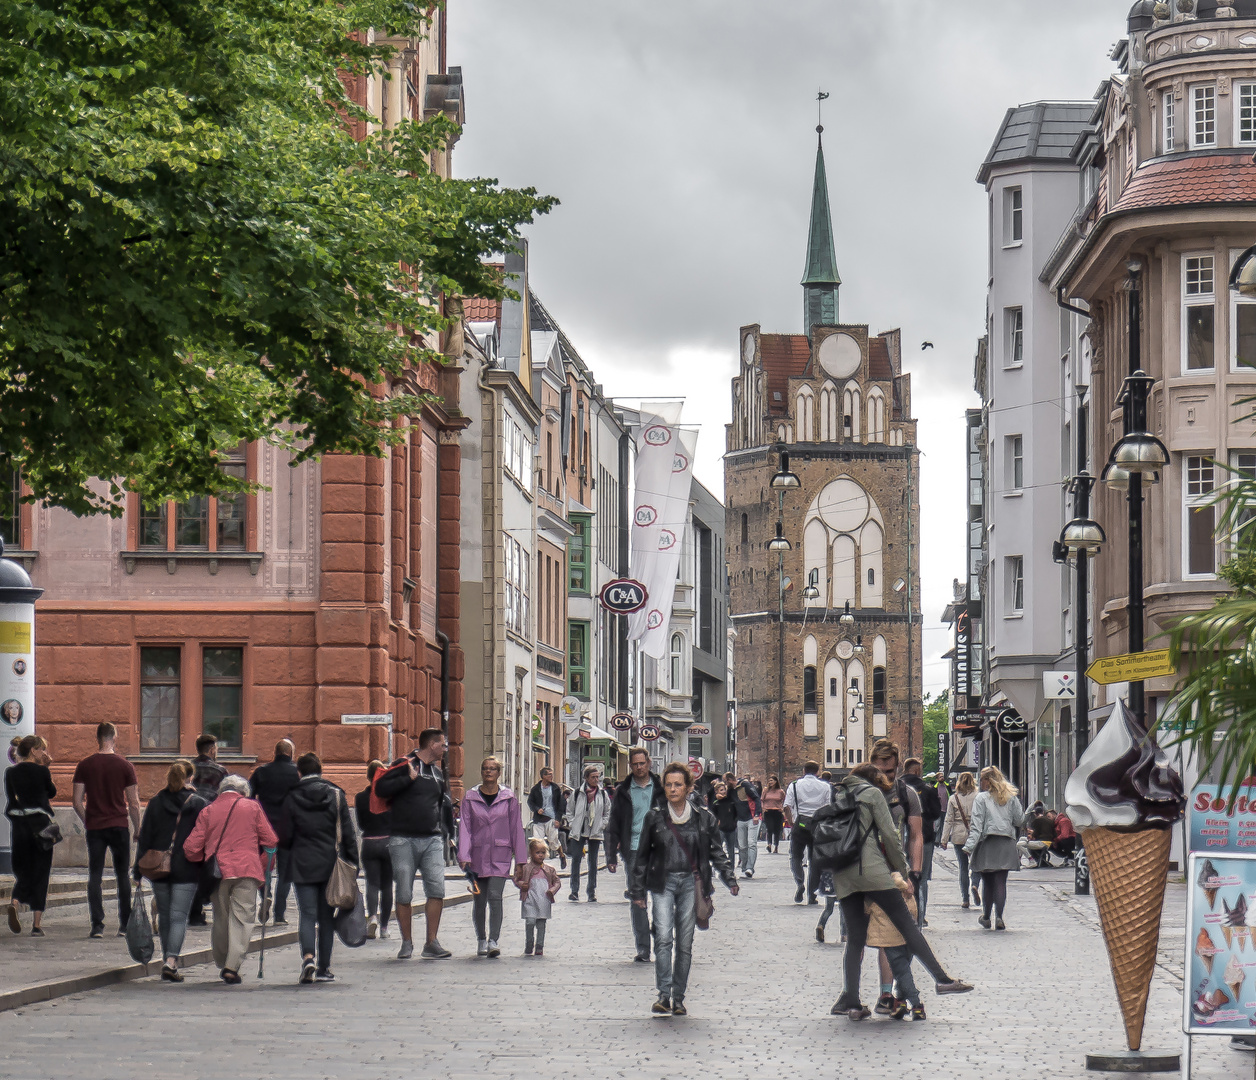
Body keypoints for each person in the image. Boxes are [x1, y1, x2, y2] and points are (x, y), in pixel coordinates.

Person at [829, 763, 972, 1021]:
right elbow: (890, 836)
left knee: (855, 937)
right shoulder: (871, 794)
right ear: (872, 780)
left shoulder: (840, 794)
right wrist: (903, 873)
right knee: (907, 926)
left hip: (844, 873)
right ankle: (942, 979)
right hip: (872, 871)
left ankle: (851, 1003)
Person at [629, 761, 740, 1016]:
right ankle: (664, 994)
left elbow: (716, 851)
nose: (672, 789)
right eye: (668, 784)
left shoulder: (704, 818)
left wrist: (729, 878)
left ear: (689, 787)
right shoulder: (654, 817)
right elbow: (642, 856)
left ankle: (679, 997)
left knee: (685, 943)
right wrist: (637, 892)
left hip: (692, 882)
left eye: (678, 784)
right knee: (664, 938)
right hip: (662, 882)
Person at [183, 773, 277, 984]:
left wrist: (205, 859)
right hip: (247, 870)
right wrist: (263, 866)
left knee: (221, 918)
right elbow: (270, 841)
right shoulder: (253, 807)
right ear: (244, 792)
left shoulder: (208, 810)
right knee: (243, 918)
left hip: (218, 873)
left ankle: (222, 960)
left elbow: (190, 848)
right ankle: (231, 966)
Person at [375, 728, 455, 960]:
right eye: (443, 744)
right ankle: (406, 942)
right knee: (404, 892)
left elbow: (443, 804)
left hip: (432, 839)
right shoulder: (404, 763)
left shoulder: (439, 773)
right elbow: (380, 789)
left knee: (437, 890)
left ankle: (431, 942)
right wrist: (405, 779)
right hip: (403, 838)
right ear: (431, 745)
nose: (446, 748)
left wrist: (447, 832)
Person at [280, 752, 357, 982]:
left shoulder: (291, 796)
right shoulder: (336, 794)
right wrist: (353, 864)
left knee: (306, 914)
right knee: (326, 917)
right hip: (330, 863)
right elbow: (348, 833)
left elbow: (284, 836)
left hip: (302, 863)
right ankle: (324, 968)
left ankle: (308, 958)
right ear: (321, 770)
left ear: (299, 772)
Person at [133, 760, 205, 981]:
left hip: (158, 867)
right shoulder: (198, 803)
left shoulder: (155, 802)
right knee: (178, 916)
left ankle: (167, 960)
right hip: (187, 866)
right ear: (190, 779)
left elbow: (145, 836)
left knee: (165, 915)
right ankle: (171, 960)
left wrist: (137, 869)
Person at [869, 739, 924, 1014]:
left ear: (897, 767)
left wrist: (916, 872)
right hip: (867, 873)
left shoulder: (906, 794)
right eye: (879, 770)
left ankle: (896, 993)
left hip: (900, 874)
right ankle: (884, 993)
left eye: (889, 771)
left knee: (910, 933)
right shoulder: (862, 792)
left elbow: (916, 835)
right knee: (882, 935)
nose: (884, 776)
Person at [72, 722, 141, 938]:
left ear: (97, 738)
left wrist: (88, 820)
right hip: (119, 825)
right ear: (115, 737)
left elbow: (76, 801)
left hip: (96, 827)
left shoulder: (84, 765)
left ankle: (97, 925)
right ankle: (124, 925)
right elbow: (134, 802)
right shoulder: (125, 766)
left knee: (95, 875)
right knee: (122, 875)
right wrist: (138, 828)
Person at [457, 756, 527, 958]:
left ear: (499, 773)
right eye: (485, 768)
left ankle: (493, 940)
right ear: (481, 771)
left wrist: (520, 861)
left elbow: (516, 828)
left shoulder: (508, 798)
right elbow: (465, 828)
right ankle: (481, 938)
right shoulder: (470, 797)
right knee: (479, 899)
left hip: (500, 855)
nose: (488, 772)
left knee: (495, 897)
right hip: (477, 857)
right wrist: (464, 855)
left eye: (493, 769)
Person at [605, 748, 666, 963]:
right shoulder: (623, 791)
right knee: (637, 898)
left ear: (649, 762)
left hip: (658, 849)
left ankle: (660, 937)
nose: (639, 767)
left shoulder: (661, 788)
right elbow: (613, 823)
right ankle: (643, 948)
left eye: (642, 763)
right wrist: (611, 854)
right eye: (635, 764)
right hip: (632, 850)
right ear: (631, 766)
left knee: (660, 896)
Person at [962, 766, 1025, 930]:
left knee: (988, 882)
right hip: (1006, 843)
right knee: (1001, 882)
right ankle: (999, 917)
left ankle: (986, 916)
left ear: (988, 781)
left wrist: (969, 847)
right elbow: (1019, 820)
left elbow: (976, 825)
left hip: (987, 844)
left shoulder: (981, 799)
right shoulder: (1011, 797)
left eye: (982, 779)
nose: (980, 783)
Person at [5, 735, 56, 936]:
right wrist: (47, 769)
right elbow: (51, 793)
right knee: (41, 871)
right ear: (34, 751)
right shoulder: (42, 771)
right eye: (41, 749)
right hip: (41, 825)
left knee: (24, 869)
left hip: (19, 825)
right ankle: (36, 925)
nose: (43, 752)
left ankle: (15, 903)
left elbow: (11, 797)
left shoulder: (10, 773)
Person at [249, 738, 300, 926]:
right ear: (291, 753)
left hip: (263, 828)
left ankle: (265, 895)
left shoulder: (261, 772)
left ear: (275, 752)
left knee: (263, 868)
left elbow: (249, 797)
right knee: (286, 873)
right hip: (288, 830)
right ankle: (279, 915)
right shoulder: (297, 773)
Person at [784, 760, 831, 905]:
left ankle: (799, 883)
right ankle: (812, 894)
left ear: (804, 771)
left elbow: (786, 806)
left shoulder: (795, 785)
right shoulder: (825, 786)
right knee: (815, 861)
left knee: (796, 856)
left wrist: (791, 821)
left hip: (800, 823)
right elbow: (827, 808)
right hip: (817, 825)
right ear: (818, 771)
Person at [355, 760, 393, 940]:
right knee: (387, 885)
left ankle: (372, 917)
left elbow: (361, 824)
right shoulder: (390, 797)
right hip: (388, 841)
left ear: (368, 776)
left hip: (369, 842)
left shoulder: (360, 797)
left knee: (372, 882)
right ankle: (385, 927)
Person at [901, 757, 941, 927]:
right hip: (924, 836)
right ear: (917, 771)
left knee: (900, 876)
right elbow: (936, 814)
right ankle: (920, 916)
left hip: (899, 836)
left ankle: (903, 913)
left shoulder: (897, 788)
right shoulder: (928, 789)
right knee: (921, 878)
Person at [565, 764, 611, 902]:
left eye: (597, 777)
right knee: (576, 860)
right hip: (579, 831)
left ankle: (591, 892)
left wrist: (602, 824)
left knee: (593, 862)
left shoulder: (602, 794)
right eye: (593, 777)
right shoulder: (578, 793)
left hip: (595, 831)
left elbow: (608, 811)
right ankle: (574, 891)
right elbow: (569, 810)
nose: (596, 780)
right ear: (586, 778)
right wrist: (573, 823)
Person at [514, 837, 561, 956]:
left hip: (543, 900)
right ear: (531, 853)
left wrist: (552, 890)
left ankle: (540, 945)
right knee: (530, 921)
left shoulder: (549, 870)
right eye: (537, 852)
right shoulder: (525, 868)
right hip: (529, 898)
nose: (540, 855)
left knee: (541, 923)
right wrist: (521, 885)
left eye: (543, 852)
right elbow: (516, 878)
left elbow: (557, 882)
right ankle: (529, 942)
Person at [939, 771, 979, 909]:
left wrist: (944, 839)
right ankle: (975, 884)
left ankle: (965, 898)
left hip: (958, 835)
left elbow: (948, 820)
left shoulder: (953, 798)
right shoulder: (978, 797)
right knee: (976, 864)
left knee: (963, 867)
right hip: (975, 834)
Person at [526, 767, 567, 869]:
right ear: (543, 776)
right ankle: (538, 864)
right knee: (538, 842)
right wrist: (536, 809)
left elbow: (561, 804)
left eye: (551, 774)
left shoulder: (555, 788)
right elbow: (530, 802)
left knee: (553, 840)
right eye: (549, 774)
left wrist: (558, 819)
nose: (551, 776)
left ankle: (561, 855)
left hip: (551, 818)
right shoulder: (536, 789)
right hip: (539, 819)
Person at [733, 775, 762, 878]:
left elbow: (756, 798)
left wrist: (757, 815)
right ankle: (745, 866)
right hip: (740, 819)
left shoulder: (744, 785)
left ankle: (750, 868)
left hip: (751, 817)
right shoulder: (730, 790)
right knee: (742, 846)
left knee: (751, 843)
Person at [711, 780, 739, 869]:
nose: (723, 792)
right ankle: (718, 866)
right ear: (717, 791)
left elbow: (736, 813)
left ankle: (731, 868)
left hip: (731, 827)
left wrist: (734, 822)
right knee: (718, 848)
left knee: (731, 848)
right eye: (721, 790)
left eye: (724, 790)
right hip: (720, 828)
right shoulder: (716, 803)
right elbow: (712, 814)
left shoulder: (731, 801)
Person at [761, 775, 786, 853]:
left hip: (777, 811)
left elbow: (785, 800)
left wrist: (783, 809)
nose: (770, 782)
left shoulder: (780, 791)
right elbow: (762, 800)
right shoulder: (765, 790)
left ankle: (776, 846)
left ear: (776, 782)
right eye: (769, 780)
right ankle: (769, 844)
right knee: (770, 828)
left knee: (777, 830)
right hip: (768, 811)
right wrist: (763, 808)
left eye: (772, 780)